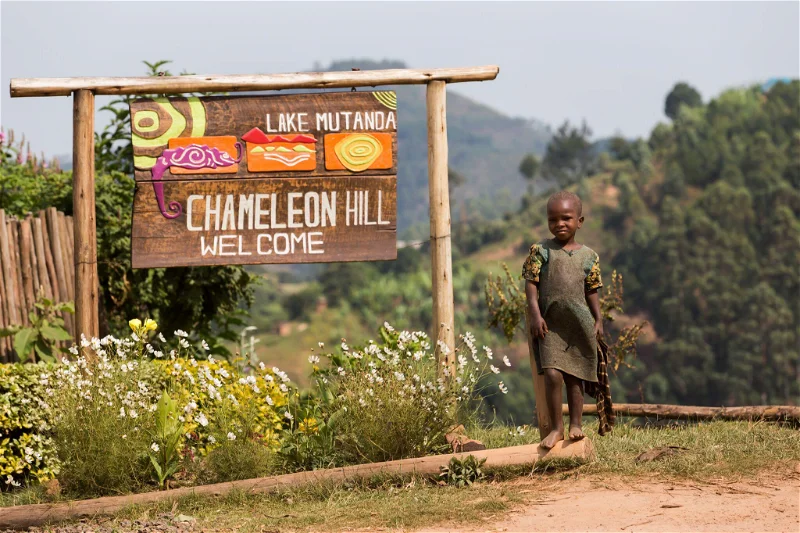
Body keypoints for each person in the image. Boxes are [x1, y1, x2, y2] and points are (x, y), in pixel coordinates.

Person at [522, 190, 603, 449]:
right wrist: (535, 315)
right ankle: (557, 428)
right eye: (553, 219)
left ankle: (576, 424)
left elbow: (592, 291)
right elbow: (531, 285)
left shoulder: (589, 257)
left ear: (580, 221)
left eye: (566, 218)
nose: (560, 224)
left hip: (578, 324)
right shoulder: (541, 251)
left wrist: (598, 320)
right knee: (553, 375)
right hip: (550, 325)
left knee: (575, 377)